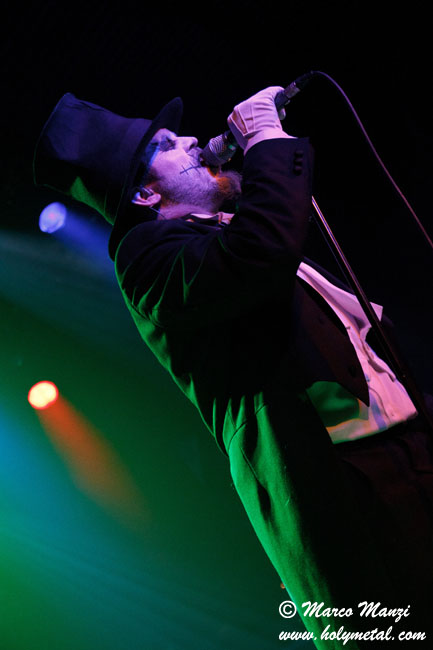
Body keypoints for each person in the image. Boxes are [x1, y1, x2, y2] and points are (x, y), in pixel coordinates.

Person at [34, 87, 433, 649]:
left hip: (411, 448)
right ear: (146, 195)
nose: (192, 140)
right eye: (168, 145)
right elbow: (261, 250)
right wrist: (267, 138)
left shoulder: (223, 233)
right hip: (352, 487)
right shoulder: (147, 259)